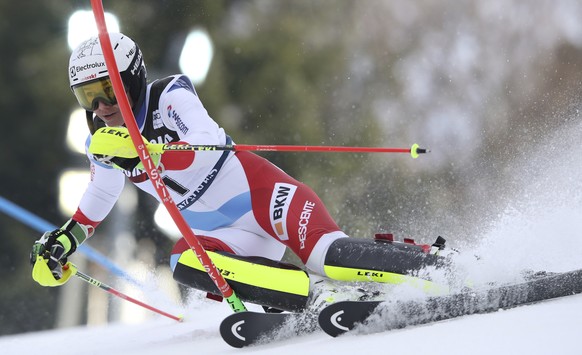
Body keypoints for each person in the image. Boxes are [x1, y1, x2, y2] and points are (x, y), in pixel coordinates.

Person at [30, 33, 451, 313]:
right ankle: (316, 298)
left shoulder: (170, 94)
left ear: (132, 80)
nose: (100, 108)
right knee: (183, 259)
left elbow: (204, 143)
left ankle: (441, 268)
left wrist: (145, 156)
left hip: (267, 199)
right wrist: (64, 240)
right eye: (88, 97)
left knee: (331, 258)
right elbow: (100, 196)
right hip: (230, 235)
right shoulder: (102, 142)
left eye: (107, 91)